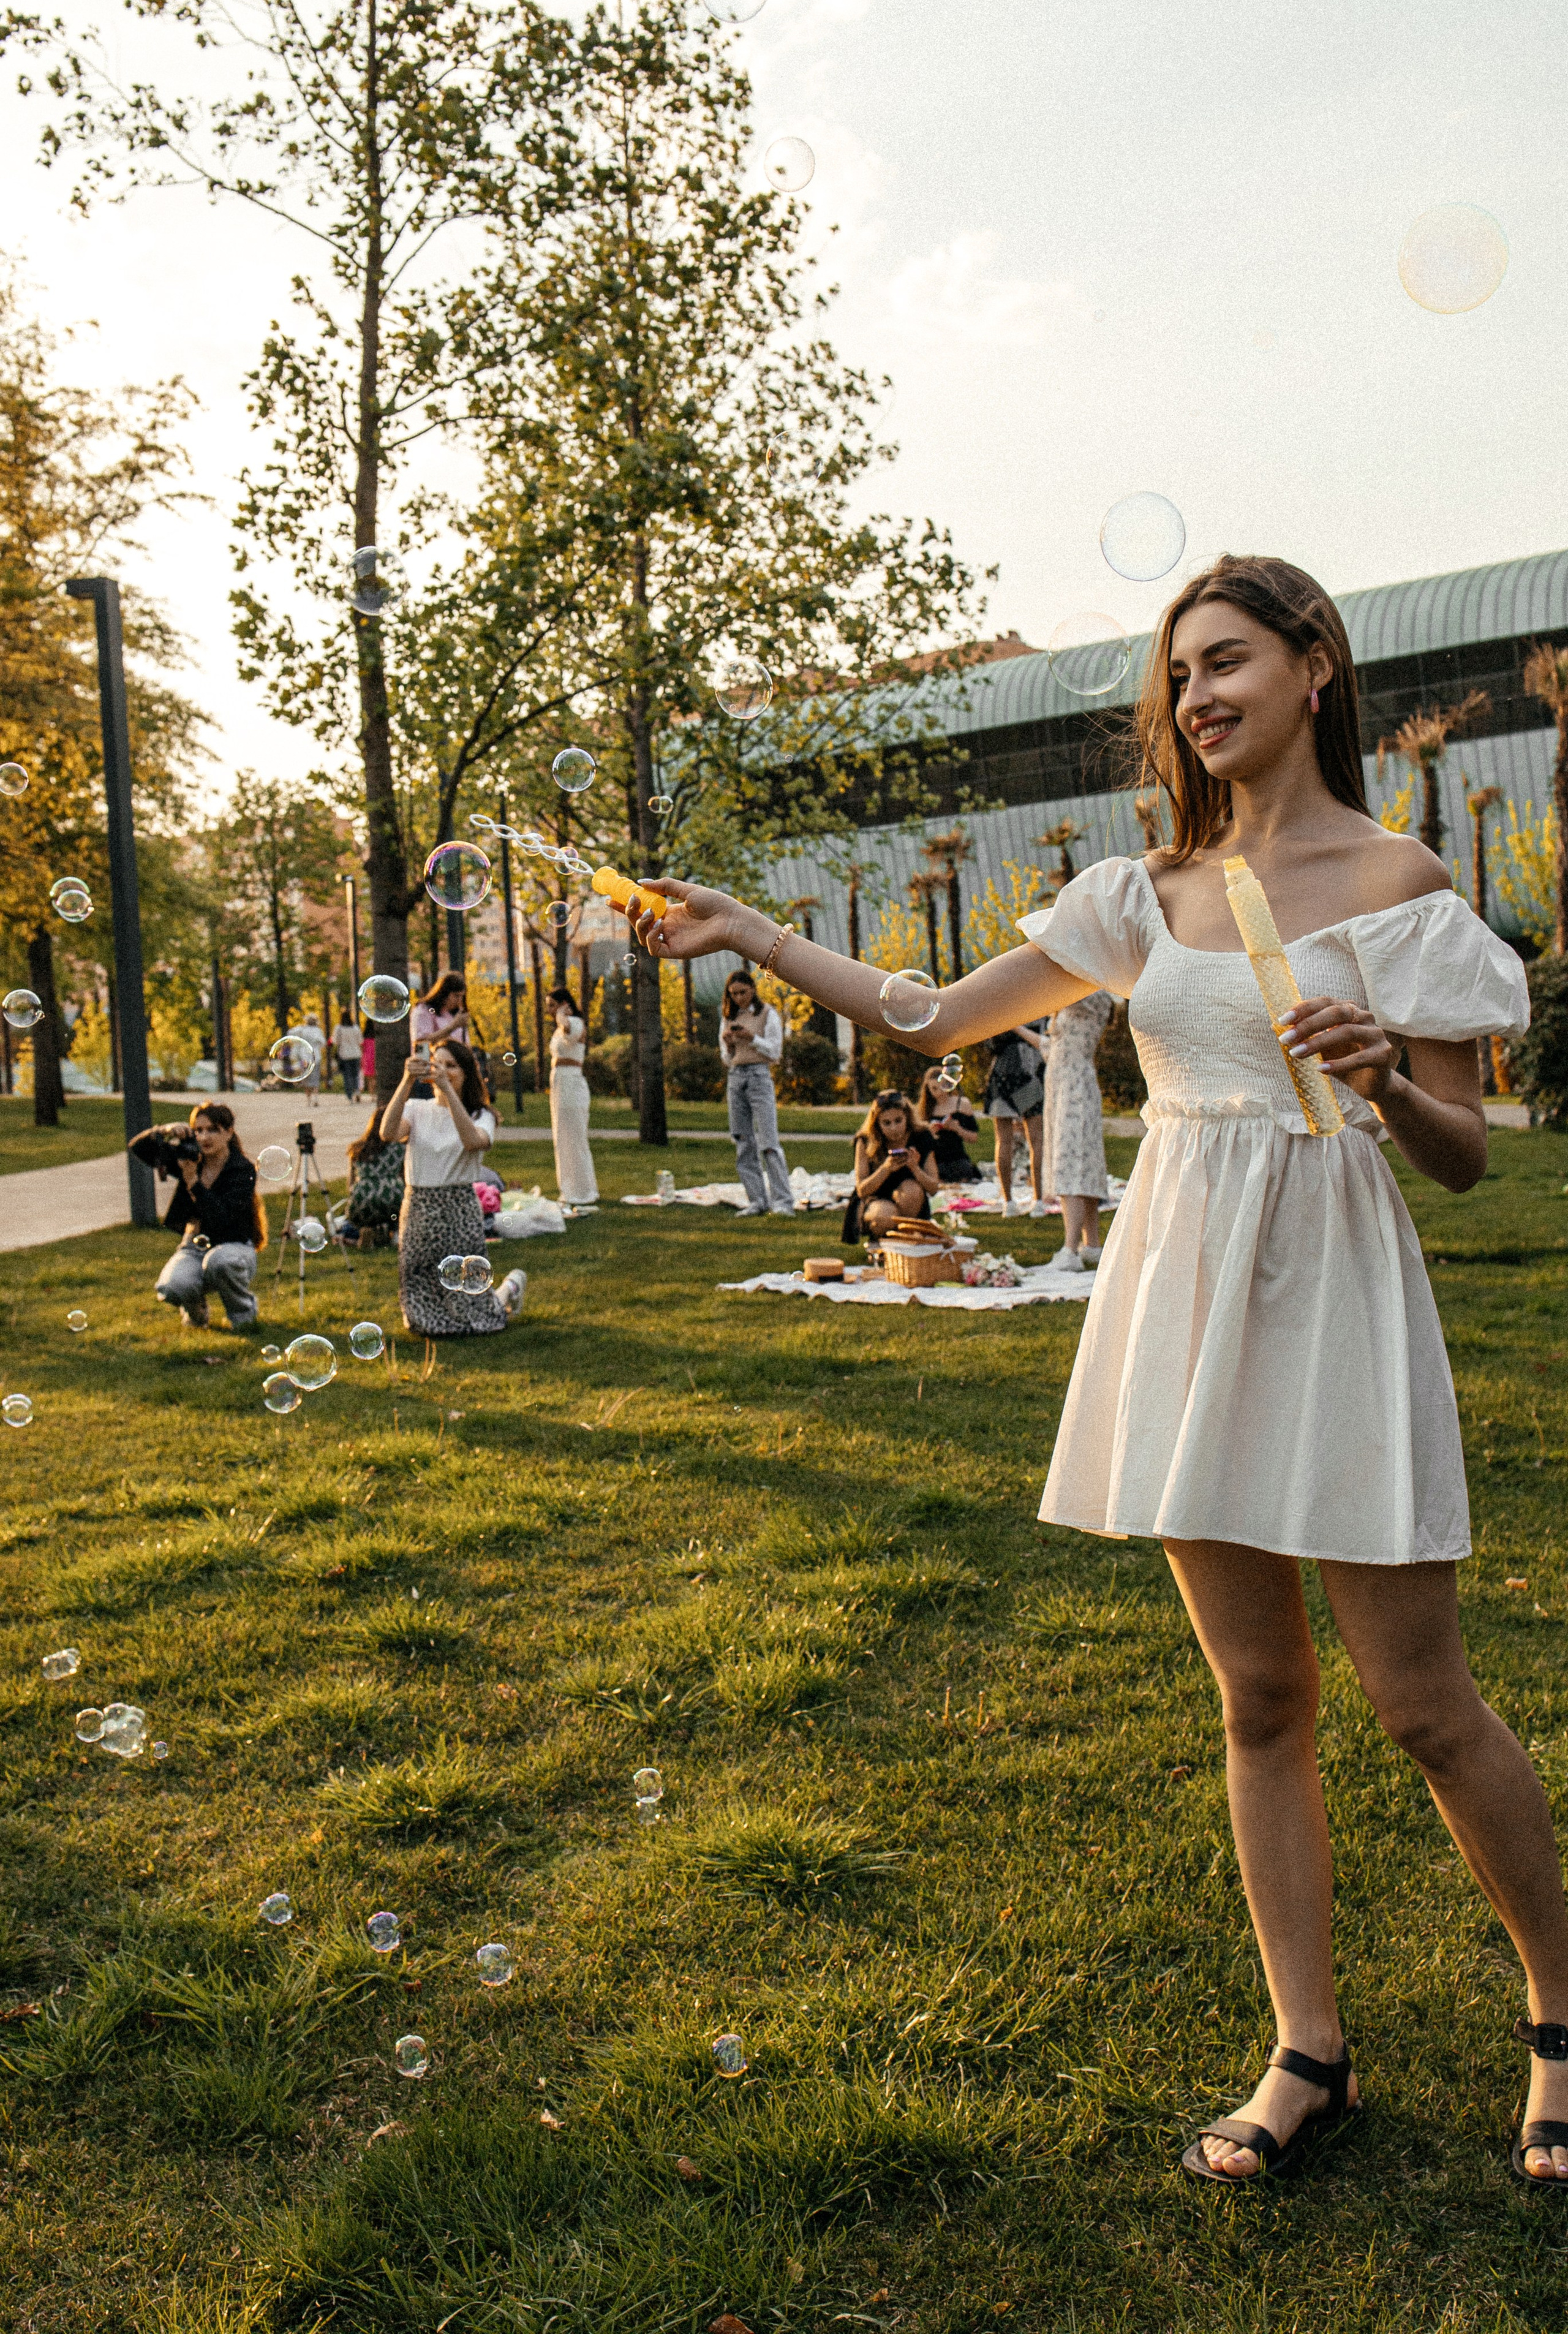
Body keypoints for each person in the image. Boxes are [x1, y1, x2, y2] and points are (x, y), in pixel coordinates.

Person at [612, 553, 1568, 2190]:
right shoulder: (1143, 892)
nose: (1197, 696)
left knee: (1422, 1703)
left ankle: (1557, 2018)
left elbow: (1466, 1152)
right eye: (1178, 674)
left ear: (1315, 668)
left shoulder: (1399, 881)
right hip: (1186, 1291)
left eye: (1227, 661)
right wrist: (746, 929)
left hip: (1336, 1291)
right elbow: (928, 1015)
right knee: (1259, 1695)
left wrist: (1385, 1083)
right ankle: (1305, 2050)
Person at [379, 1035, 525, 1335]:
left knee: (473, 1311)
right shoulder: (416, 1108)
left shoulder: (482, 1116)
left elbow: (472, 1141)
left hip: (458, 1206)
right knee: (422, 1313)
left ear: (467, 1073)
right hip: (419, 1206)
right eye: (438, 1064)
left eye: (452, 1066)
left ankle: (510, 1287)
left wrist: (448, 1091)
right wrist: (407, 1081)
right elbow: (387, 1133)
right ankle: (439, 1313)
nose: (443, 1071)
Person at [128, 1103, 266, 1331]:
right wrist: (165, 1130)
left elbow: (221, 1218)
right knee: (171, 1287)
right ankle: (197, 1313)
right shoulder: (190, 1159)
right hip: (194, 1245)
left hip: (234, 1246)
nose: (204, 1137)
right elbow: (138, 1148)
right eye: (198, 1130)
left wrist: (193, 1182)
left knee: (220, 1262)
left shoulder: (242, 1170)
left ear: (229, 1132)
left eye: (213, 1130)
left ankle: (244, 1316)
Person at [1041, 989, 1115, 1271]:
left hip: (1076, 1087)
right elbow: (1052, 1049)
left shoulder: (1093, 995)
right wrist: (1014, 1027)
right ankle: (1091, 1244)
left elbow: (1050, 989)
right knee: (1082, 1161)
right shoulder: (1073, 1001)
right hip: (1062, 1084)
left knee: (1072, 1161)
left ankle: (1070, 1250)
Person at [719, 968, 793, 1218]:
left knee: (769, 1142)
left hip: (759, 1076)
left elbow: (774, 1052)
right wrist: (730, 1045)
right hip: (736, 1077)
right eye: (734, 994)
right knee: (743, 1141)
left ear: (752, 989)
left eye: (743, 992)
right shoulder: (728, 1017)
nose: (739, 998)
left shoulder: (767, 1014)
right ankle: (757, 1200)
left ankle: (782, 1202)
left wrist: (752, 1038)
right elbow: (727, 1059)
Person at [841, 1088, 939, 1246]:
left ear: (907, 1117)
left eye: (898, 1121)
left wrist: (915, 1168)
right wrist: (885, 1169)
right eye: (886, 1123)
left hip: (911, 1200)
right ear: (877, 1123)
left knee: (912, 1190)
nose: (894, 1128)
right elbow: (862, 1190)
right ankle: (882, 1242)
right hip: (875, 1198)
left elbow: (934, 1188)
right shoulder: (865, 1140)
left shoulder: (921, 1136)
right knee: (886, 1215)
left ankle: (904, 1240)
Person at [983, 1021, 1047, 1217]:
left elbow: (990, 1045)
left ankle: (1008, 1202)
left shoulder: (1001, 1008)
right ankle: (1038, 1201)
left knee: (1003, 1140)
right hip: (1029, 1071)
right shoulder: (1037, 1006)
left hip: (1002, 1072)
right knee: (1036, 1139)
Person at [548, 987, 598, 1208]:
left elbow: (569, 1031)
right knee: (562, 1138)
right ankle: (568, 1189)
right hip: (559, 1082)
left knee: (575, 1137)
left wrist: (562, 1015)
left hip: (572, 1082)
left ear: (563, 1004)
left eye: (552, 1005)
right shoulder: (558, 1029)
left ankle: (584, 1191)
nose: (549, 1010)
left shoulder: (575, 1023)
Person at [342, 1104, 405, 1247]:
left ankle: (364, 1233)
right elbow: (404, 1179)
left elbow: (350, 1184)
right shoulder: (399, 1148)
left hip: (363, 1197)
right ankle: (393, 1234)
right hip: (391, 1196)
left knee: (349, 1222)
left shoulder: (357, 1148)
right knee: (398, 1211)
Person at [914, 1065, 982, 1182]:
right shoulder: (924, 1110)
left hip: (958, 1159)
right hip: (935, 1162)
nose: (940, 1092)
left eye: (943, 1086)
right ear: (928, 1090)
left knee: (963, 1174)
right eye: (934, 1089)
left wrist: (957, 1129)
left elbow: (974, 1138)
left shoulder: (962, 1104)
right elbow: (917, 1144)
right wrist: (929, 1134)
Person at [410, 972, 469, 1048]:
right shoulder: (425, 1010)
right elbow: (421, 1042)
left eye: (462, 997)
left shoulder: (450, 1014)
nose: (459, 1001)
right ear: (444, 994)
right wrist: (453, 1026)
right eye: (456, 996)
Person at [333, 1012, 364, 1102]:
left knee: (347, 1076)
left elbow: (335, 1041)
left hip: (344, 1054)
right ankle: (357, 1091)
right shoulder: (355, 1028)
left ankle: (350, 1096)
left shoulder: (339, 1028)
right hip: (356, 1054)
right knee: (356, 1074)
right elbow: (360, 1041)